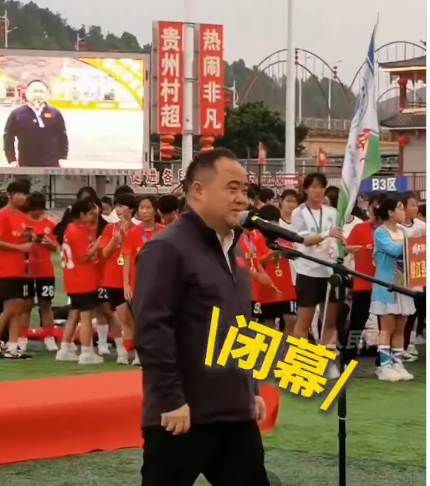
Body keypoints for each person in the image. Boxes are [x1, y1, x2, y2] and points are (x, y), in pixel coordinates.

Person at [134, 148, 270, 486]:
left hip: (235, 412)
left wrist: (251, 389)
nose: (242, 199)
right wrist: (170, 399)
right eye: (232, 189)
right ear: (198, 190)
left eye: (245, 191)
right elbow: (152, 329)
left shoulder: (234, 249)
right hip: (183, 414)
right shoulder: (166, 248)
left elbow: (240, 329)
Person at [290, 172, 343, 379]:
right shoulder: (299, 213)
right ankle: (299, 364)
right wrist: (326, 234)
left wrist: (342, 243)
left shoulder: (332, 212)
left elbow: (338, 239)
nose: (318, 191)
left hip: (330, 271)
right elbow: (304, 240)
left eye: (321, 187)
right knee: (304, 321)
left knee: (329, 320)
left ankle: (327, 361)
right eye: (313, 187)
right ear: (306, 190)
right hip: (308, 271)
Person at [369, 194, 415, 382]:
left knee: (400, 326)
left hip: (403, 284)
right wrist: (414, 243)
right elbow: (395, 250)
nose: (404, 212)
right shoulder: (380, 232)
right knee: (387, 327)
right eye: (400, 208)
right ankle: (384, 365)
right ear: (390, 212)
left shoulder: (403, 232)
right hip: (385, 285)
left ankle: (397, 363)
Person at [55, 198, 102, 365]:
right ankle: (87, 352)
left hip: (73, 279)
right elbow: (84, 256)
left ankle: (64, 348)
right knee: (85, 316)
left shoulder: (69, 228)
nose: (92, 216)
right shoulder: (77, 230)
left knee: (74, 314)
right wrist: (98, 244)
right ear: (81, 214)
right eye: (89, 213)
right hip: (83, 279)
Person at [19, 192, 59, 353]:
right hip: (26, 270)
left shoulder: (50, 224)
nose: (36, 212)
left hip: (45, 270)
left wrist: (49, 243)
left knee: (45, 304)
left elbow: (56, 247)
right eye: (33, 209)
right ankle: (22, 339)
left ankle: (49, 338)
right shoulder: (22, 222)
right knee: (26, 305)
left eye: (39, 209)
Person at [99, 193, 137, 364]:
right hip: (113, 279)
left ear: (132, 209)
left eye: (122, 206)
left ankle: (138, 353)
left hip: (134, 278)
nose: (118, 209)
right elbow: (104, 253)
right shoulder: (110, 229)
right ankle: (123, 352)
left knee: (136, 317)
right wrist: (115, 239)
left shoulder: (138, 229)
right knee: (123, 317)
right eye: (117, 206)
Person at [344, 193, 382, 362]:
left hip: (386, 284)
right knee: (357, 322)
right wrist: (351, 249)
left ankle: (384, 358)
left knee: (385, 323)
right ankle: (349, 356)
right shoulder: (360, 228)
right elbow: (344, 248)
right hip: (363, 282)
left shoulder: (394, 229)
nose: (376, 210)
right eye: (373, 207)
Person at [0, 180, 33, 359]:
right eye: (18, 193)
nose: (22, 197)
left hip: (20, 269)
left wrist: (29, 238)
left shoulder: (22, 217)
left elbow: (25, 239)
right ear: (10, 195)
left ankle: (12, 347)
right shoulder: (3, 214)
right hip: (5, 268)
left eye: (24, 194)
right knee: (10, 308)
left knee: (18, 308)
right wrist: (20, 247)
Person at [3, 80, 68, 167]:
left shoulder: (55, 113)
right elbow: (8, 138)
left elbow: (62, 136)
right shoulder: (17, 114)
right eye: (35, 91)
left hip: (51, 163)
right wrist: (11, 159)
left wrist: (63, 157)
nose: (38, 94)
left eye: (41, 91)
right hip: (26, 162)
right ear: (28, 92)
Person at [257, 204, 297, 336]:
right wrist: (269, 255)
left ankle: (285, 347)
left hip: (286, 288)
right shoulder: (256, 239)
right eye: (269, 223)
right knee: (268, 323)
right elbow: (255, 262)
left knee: (291, 319)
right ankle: (270, 347)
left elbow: (292, 252)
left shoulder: (283, 237)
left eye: (275, 222)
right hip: (267, 287)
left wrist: (288, 252)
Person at [399, 192, 426, 352]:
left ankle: (408, 343)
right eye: (412, 205)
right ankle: (399, 346)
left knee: (414, 311)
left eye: (416, 205)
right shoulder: (397, 227)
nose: (415, 208)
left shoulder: (422, 226)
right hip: (400, 276)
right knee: (402, 312)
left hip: (418, 274)